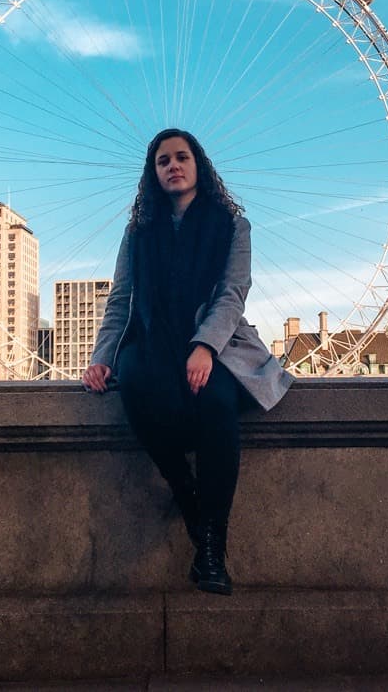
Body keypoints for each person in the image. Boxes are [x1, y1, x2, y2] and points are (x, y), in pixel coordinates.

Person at [82, 128, 292, 596]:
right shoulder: (138, 233)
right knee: (133, 385)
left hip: (215, 342)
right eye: (163, 161)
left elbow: (232, 293)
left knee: (216, 403)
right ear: (152, 173)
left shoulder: (232, 226)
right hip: (152, 340)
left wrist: (204, 347)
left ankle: (212, 546)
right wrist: (101, 358)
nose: (173, 166)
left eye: (181, 157)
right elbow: (121, 299)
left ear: (199, 165)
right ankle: (188, 496)